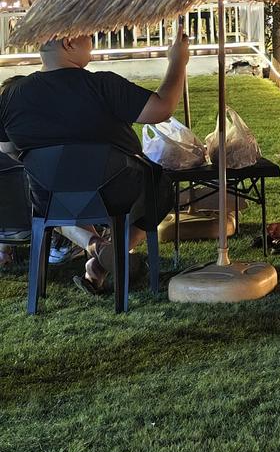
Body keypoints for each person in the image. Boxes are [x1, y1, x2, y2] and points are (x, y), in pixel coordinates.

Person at [0, 30, 190, 295]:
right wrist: (178, 61)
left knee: (58, 197)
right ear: (68, 42)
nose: (93, 41)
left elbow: (7, 148)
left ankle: (97, 251)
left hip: (52, 198)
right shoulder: (102, 85)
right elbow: (162, 109)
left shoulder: (11, 96)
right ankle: (108, 253)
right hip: (117, 194)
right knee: (160, 186)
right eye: (87, 35)